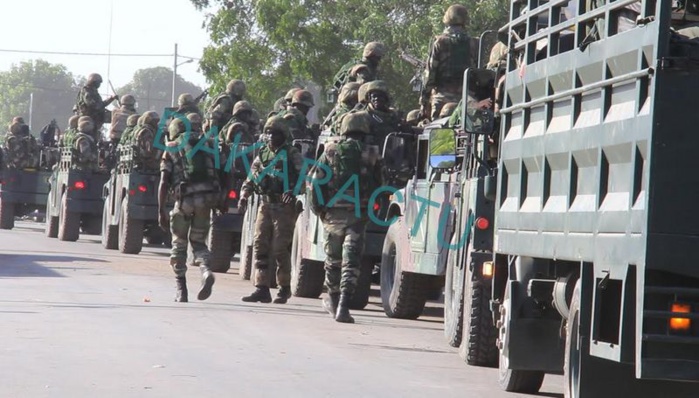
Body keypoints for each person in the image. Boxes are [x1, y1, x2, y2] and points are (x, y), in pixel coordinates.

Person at [311, 111, 384, 323]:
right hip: (359, 216)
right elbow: (381, 183)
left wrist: (320, 210)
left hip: (333, 214)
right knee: (351, 261)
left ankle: (333, 302)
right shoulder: (372, 153)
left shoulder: (330, 150)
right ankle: (344, 305)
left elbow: (315, 182)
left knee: (333, 261)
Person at [159, 113, 223, 302]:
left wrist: (160, 210)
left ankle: (181, 290)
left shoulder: (171, 147)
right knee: (199, 242)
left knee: (179, 243)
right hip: (206, 200)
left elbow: (163, 181)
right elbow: (226, 172)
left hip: (184, 201)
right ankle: (205, 271)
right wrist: (222, 200)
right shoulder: (209, 144)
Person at [239, 116, 304, 304]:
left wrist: (293, 191)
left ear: (283, 135)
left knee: (279, 247)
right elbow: (251, 178)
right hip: (265, 204)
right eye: (268, 132)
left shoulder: (292, 154)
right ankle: (261, 288)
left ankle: (284, 287)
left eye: (274, 133)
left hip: (284, 207)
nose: (270, 136)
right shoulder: (263, 154)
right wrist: (244, 195)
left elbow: (305, 179)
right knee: (260, 243)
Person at [420, 4, 472, 121]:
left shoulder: (440, 42)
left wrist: (424, 101)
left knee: (439, 134)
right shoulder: (473, 43)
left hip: (443, 98)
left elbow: (430, 75)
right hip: (467, 98)